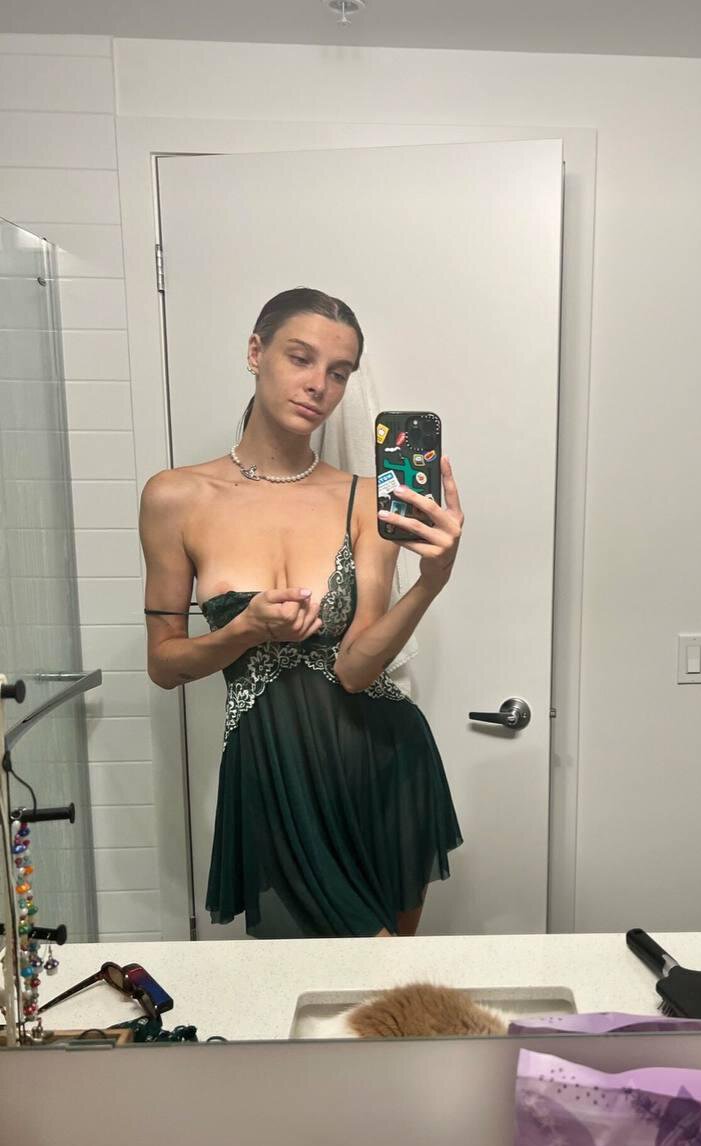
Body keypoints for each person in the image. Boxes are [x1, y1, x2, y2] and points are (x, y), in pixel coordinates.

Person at [138, 287, 464, 938]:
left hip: (382, 764)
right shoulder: (176, 497)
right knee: (292, 981)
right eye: (300, 358)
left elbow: (355, 669)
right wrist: (244, 630)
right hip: (271, 774)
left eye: (339, 372)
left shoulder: (365, 499)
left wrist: (431, 582)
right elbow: (165, 665)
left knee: (387, 983)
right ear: (256, 353)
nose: (319, 384)